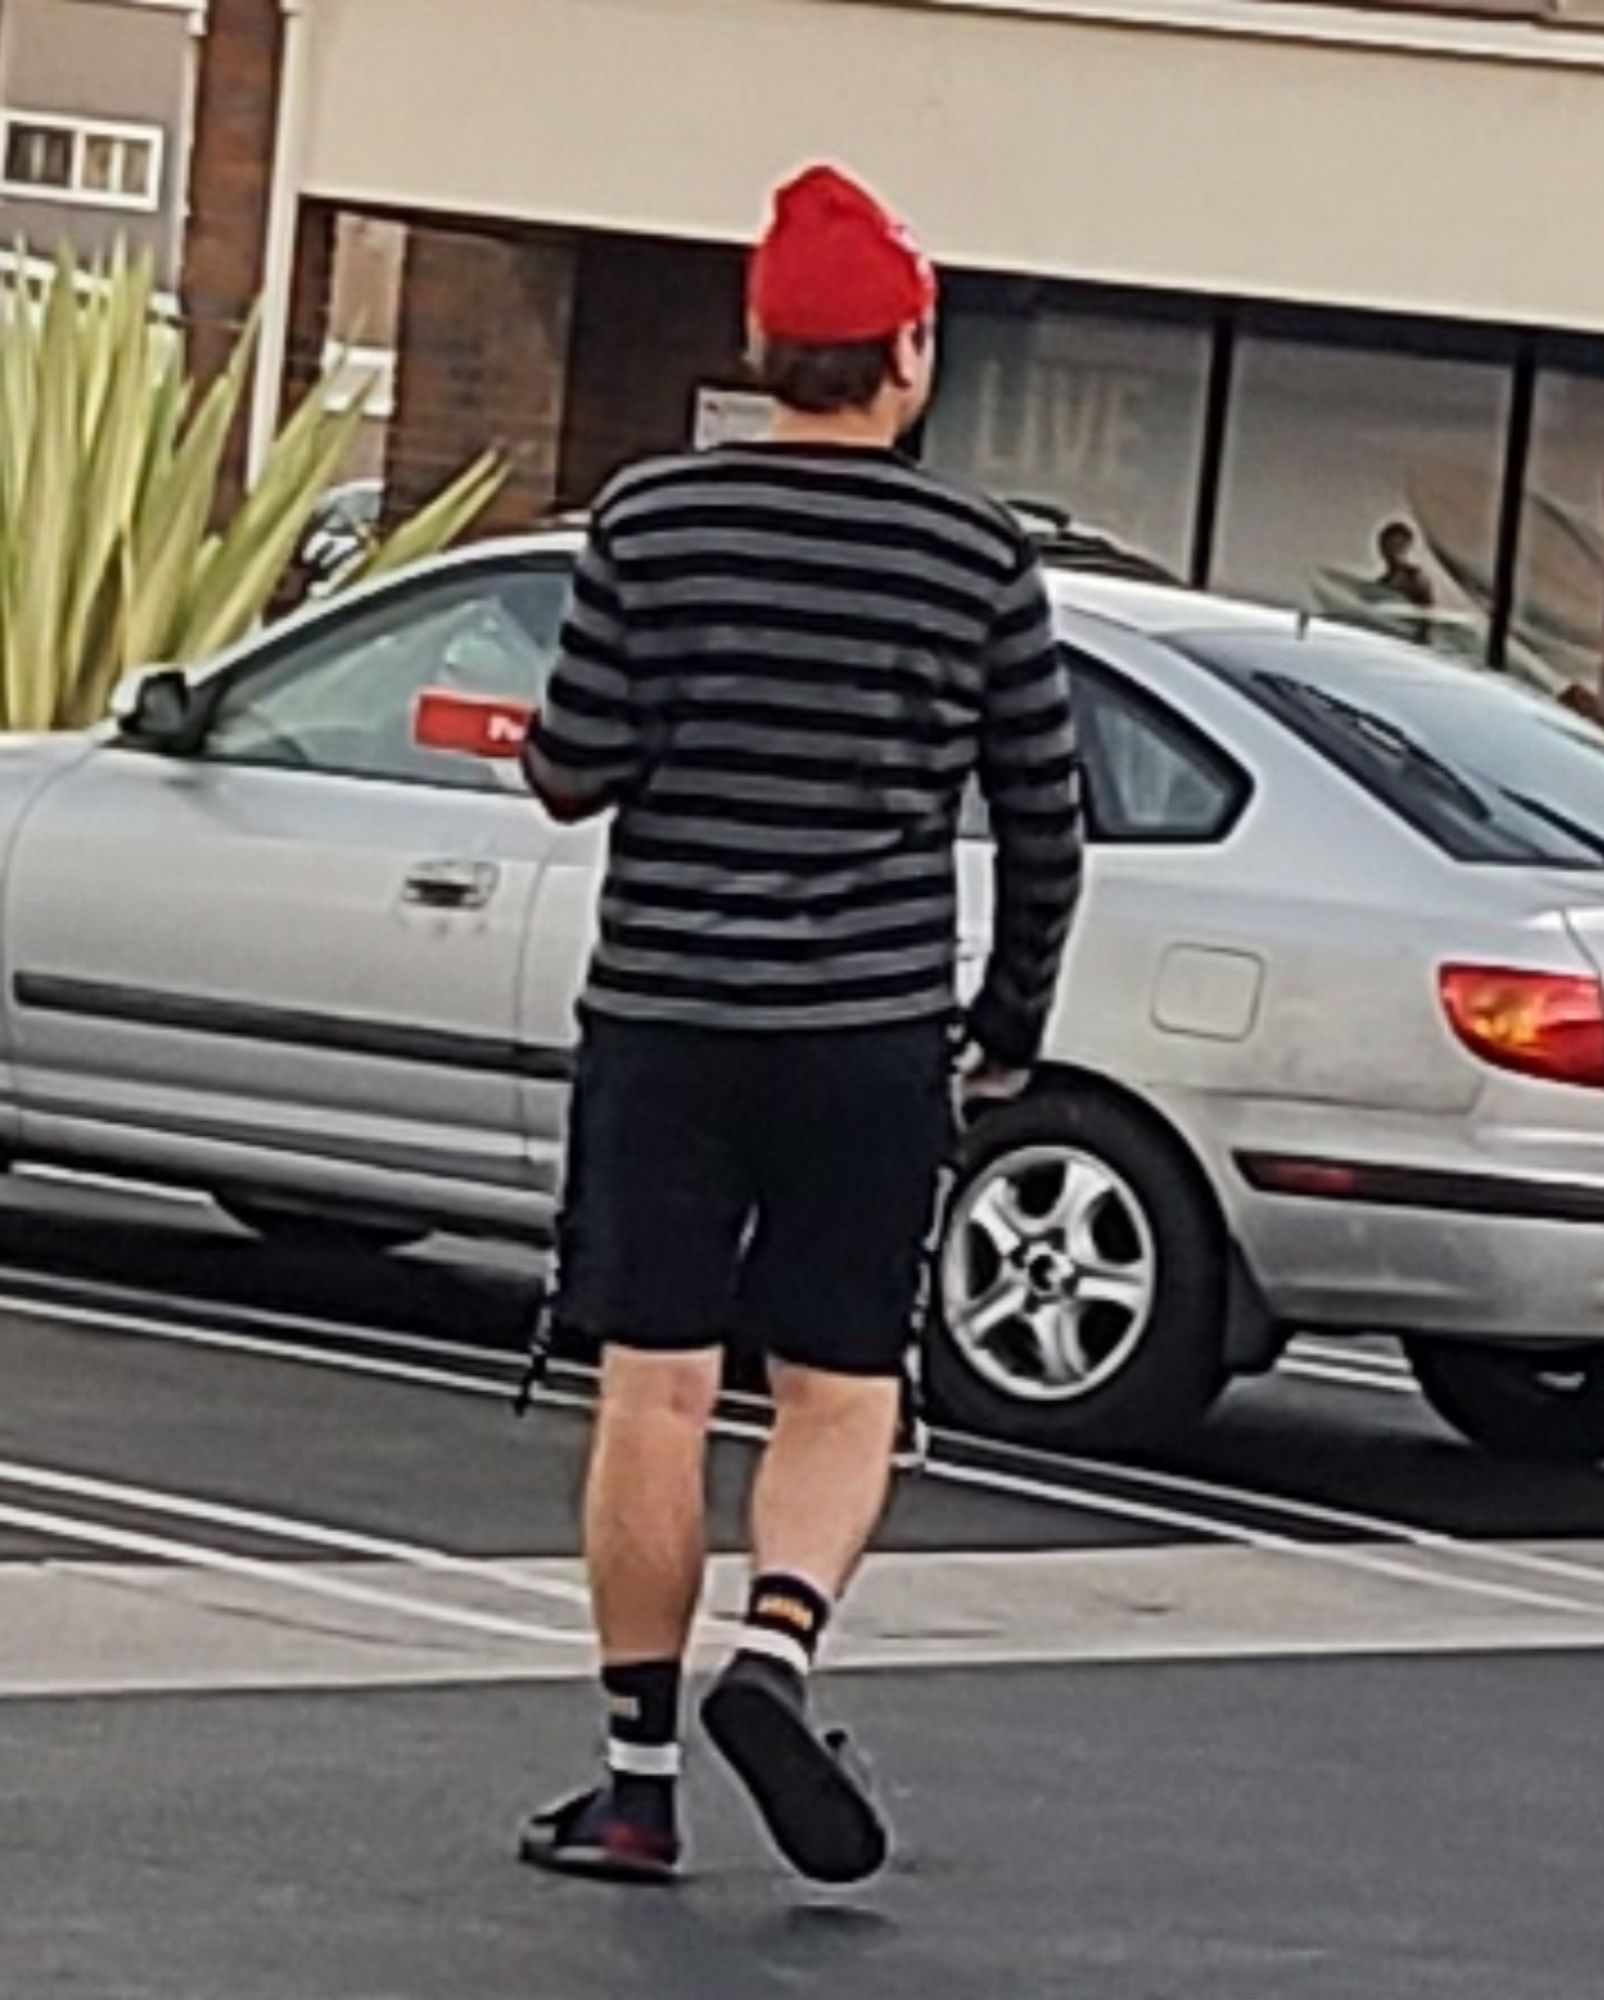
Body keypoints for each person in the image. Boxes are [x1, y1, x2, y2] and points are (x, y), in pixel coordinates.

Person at [517, 163, 1082, 1888]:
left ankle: (632, 1784)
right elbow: (1045, 822)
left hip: (669, 1020)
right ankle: (774, 1648)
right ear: (904, 354)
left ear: (760, 349)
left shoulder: (647, 522)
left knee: (655, 1391)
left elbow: (568, 769)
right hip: (864, 1035)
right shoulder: (975, 555)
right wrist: (1000, 1026)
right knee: (843, 1385)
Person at [1375, 520, 1435, 645]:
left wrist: (1421, 638)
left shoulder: (1416, 577)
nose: (1393, 550)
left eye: (1399, 545)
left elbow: (1427, 611)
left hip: (1410, 640)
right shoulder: (1381, 584)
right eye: (1389, 545)